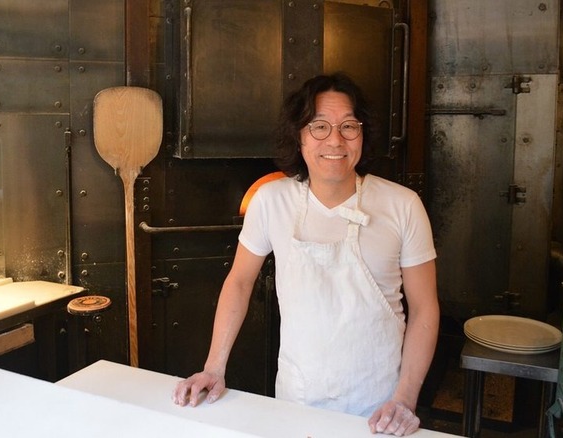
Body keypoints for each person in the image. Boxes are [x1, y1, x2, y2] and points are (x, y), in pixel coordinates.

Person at [172, 73, 439, 437]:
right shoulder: (271, 201)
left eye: (349, 126)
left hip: (381, 406)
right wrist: (214, 367)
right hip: (297, 398)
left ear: (363, 135)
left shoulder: (402, 205)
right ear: (298, 135)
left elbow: (425, 307)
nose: (335, 140)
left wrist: (405, 399)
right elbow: (239, 280)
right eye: (319, 126)